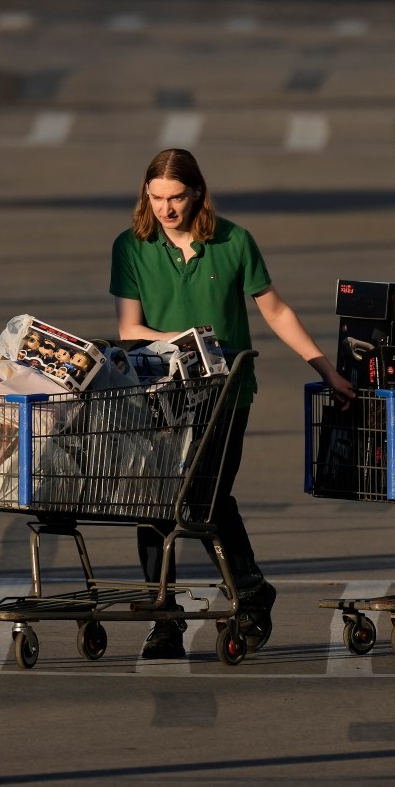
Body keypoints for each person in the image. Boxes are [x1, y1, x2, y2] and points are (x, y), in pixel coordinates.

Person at [110, 147, 354, 659]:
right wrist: (189, 338)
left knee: (206, 496)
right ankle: (165, 621)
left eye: (176, 197)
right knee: (153, 504)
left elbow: (276, 310)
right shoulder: (131, 247)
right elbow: (130, 329)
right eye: (156, 198)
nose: (166, 208)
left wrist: (326, 369)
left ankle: (249, 594)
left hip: (226, 395)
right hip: (161, 392)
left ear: (197, 192)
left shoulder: (234, 241)